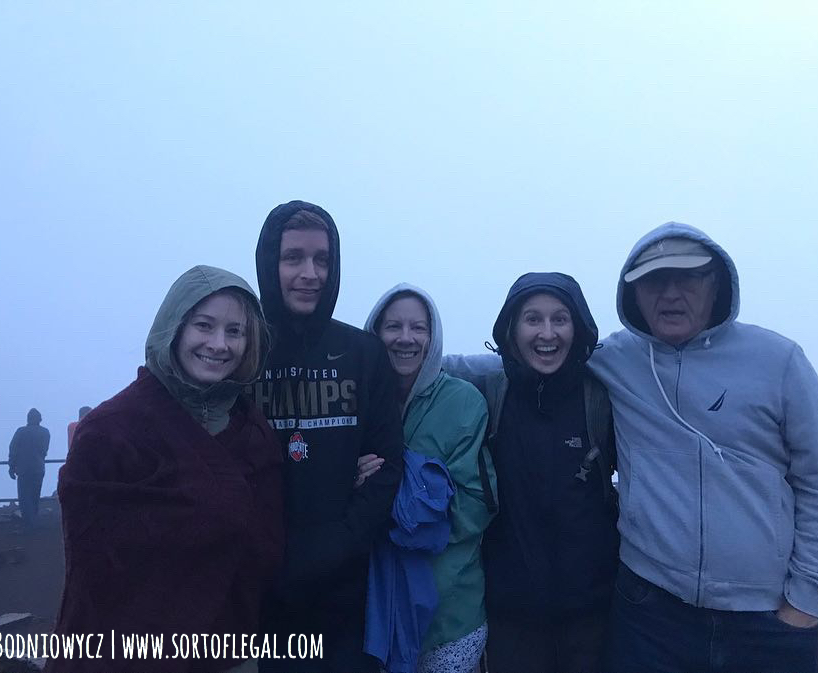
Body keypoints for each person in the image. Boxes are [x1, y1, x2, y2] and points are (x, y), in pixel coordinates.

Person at [588, 222, 818, 673]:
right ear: (634, 294)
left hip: (768, 619)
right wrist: (421, 368)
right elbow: (524, 362)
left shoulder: (779, 360)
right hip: (648, 611)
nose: (670, 294)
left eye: (688, 278)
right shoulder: (613, 359)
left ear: (715, 283)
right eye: (654, 281)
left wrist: (806, 600)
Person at [48, 265, 283, 673]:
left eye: (234, 331)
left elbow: (265, 546)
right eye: (204, 325)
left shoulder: (254, 431)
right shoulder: (112, 430)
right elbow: (94, 567)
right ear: (174, 326)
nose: (218, 344)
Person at [245, 201, 404, 673]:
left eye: (322, 259)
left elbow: (387, 464)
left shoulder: (362, 352)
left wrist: (336, 545)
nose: (309, 273)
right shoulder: (242, 350)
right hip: (255, 589)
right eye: (293, 257)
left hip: (344, 593)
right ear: (269, 262)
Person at [443, 272, 619, 673]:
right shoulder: (490, 392)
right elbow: (429, 364)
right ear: (511, 329)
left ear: (578, 327)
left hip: (593, 616)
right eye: (532, 319)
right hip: (511, 617)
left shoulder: (601, 398)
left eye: (560, 319)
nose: (547, 333)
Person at [363, 284, 497, 673]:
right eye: (393, 327)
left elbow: (474, 506)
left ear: (433, 335)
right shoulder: (358, 400)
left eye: (418, 328)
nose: (406, 338)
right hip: (371, 609)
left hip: (450, 611)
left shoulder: (463, 402)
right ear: (375, 332)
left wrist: (391, 494)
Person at [8, 408, 50, 530]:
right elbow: (44, 450)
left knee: (24, 496)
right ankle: (33, 521)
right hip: (39, 467)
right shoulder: (45, 432)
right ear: (40, 419)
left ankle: (28, 524)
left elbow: (13, 449)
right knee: (35, 495)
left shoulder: (21, 431)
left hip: (23, 468)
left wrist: (11, 466)